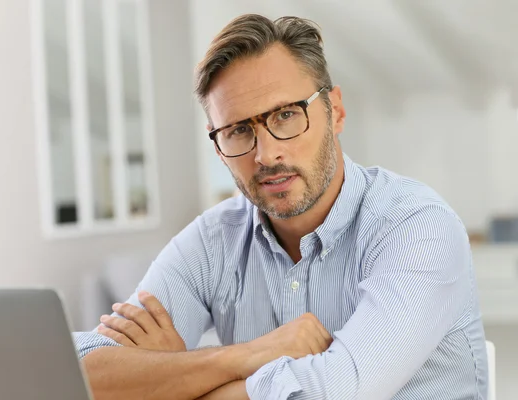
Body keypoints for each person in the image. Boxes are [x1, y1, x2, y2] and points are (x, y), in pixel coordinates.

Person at [73, 14, 488, 400]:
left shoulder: (418, 227)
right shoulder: (212, 240)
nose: (266, 154)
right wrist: (245, 355)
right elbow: (78, 373)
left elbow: (328, 393)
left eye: (286, 115)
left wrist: (175, 379)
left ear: (336, 110)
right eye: (238, 130)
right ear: (218, 146)